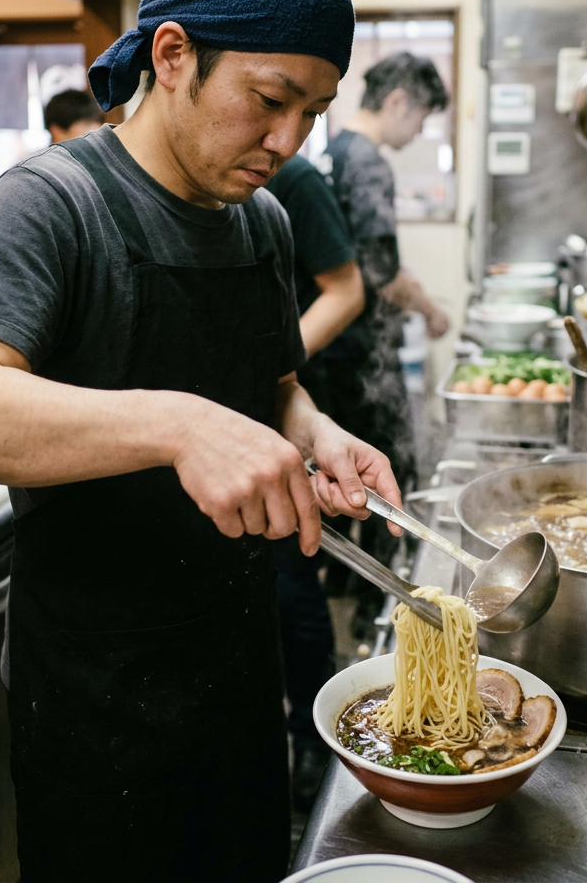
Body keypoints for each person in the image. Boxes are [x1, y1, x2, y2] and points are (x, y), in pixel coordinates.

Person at [0, 0, 403, 883]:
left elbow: (272, 389)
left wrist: (318, 433)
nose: (287, 139)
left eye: (312, 111)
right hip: (94, 708)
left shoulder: (260, 221)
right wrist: (177, 423)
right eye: (269, 99)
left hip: (232, 677)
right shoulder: (52, 203)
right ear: (173, 55)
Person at [313, 52, 451, 637]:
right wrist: (432, 310)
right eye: (420, 117)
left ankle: (351, 591)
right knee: (385, 473)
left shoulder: (334, 151)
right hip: (358, 352)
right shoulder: (369, 164)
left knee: (344, 479)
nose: (418, 130)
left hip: (329, 356)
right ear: (398, 101)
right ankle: (384, 610)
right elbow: (382, 272)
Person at [266, 154, 363, 811]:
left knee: (294, 580)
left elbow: (348, 289)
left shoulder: (284, 188)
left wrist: (274, 374)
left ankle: (309, 739)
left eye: (310, 110)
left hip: (286, 416)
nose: (287, 135)